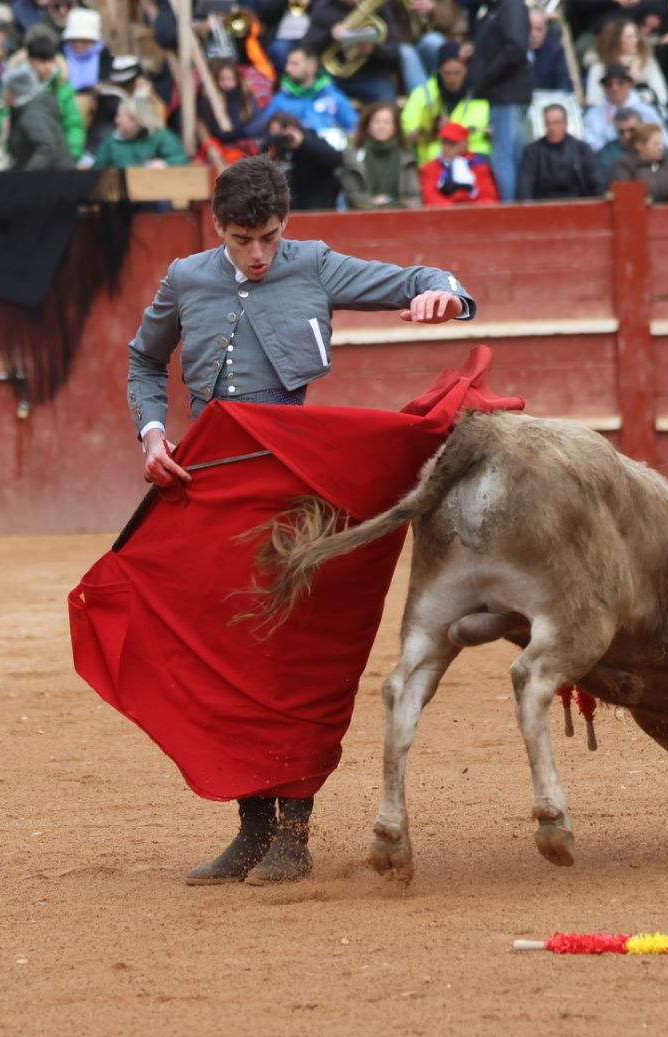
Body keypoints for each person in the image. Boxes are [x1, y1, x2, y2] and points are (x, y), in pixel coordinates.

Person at [124, 154, 475, 884]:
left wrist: (444, 292)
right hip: (212, 484)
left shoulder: (311, 263)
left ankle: (294, 832)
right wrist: (153, 434)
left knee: (290, 649)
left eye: (271, 238)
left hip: (295, 486)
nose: (259, 255)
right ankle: (252, 827)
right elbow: (144, 363)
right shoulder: (188, 278)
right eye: (245, 239)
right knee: (222, 649)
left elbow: (416, 280)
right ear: (218, 226)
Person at [472, 0, 531, 201]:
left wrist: (486, 75)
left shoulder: (510, 6)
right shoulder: (495, 8)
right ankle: (517, 209)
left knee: (504, 159)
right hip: (504, 94)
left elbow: (515, 48)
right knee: (511, 157)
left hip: (508, 93)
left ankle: (512, 212)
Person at [399, 41, 488, 162]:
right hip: (433, 164)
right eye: (447, 73)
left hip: (473, 161)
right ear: (439, 71)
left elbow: (486, 130)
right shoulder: (424, 95)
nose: (452, 79)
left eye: (457, 73)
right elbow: (407, 131)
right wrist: (432, 128)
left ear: (465, 70)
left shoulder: (480, 93)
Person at [305, 0, 403, 103]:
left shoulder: (380, 10)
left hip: (371, 77)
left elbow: (394, 52)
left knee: (386, 105)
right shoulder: (325, 9)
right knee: (311, 101)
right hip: (333, 78)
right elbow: (307, 47)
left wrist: (373, 50)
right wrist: (330, 35)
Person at [5, 37, 81, 170]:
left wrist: (72, 153)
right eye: (42, 61)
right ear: (30, 60)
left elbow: (73, 124)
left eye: (50, 61)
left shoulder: (62, 89)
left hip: (53, 160)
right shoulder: (15, 84)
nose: (48, 67)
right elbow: (5, 116)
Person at [518, 101, 606, 200]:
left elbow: (597, 180)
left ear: (565, 123)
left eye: (556, 123)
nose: (552, 128)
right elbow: (525, 186)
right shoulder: (532, 152)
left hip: (577, 205)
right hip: (543, 206)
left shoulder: (582, 150)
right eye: (548, 123)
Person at [342, 101, 421, 209]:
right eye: (376, 122)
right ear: (367, 127)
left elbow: (414, 197)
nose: (381, 126)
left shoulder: (407, 158)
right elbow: (352, 195)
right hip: (363, 217)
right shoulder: (353, 157)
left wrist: (391, 204)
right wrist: (373, 202)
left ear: (395, 128)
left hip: (400, 217)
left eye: (387, 122)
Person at [584, 15, 668, 110]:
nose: (636, 41)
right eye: (630, 37)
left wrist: (638, 98)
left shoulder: (646, 62)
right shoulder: (600, 65)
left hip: (643, 113)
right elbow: (594, 100)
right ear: (616, 41)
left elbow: (662, 96)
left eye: (636, 36)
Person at [263, 111, 344, 210]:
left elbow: (334, 159)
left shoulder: (311, 139)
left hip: (318, 207)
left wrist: (303, 142)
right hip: (287, 209)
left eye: (282, 132)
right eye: (274, 134)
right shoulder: (273, 147)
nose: (280, 137)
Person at [419, 119, 499, 204]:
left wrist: (467, 211)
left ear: (465, 144)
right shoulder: (430, 168)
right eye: (444, 143)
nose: (446, 148)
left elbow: (489, 198)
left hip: (474, 215)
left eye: (452, 143)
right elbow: (431, 198)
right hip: (444, 215)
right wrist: (455, 211)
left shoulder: (479, 167)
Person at [587, 64, 666, 150]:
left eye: (620, 83)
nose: (614, 88)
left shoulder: (648, 111)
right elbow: (590, 144)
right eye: (609, 84)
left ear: (630, 85)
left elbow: (663, 141)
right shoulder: (593, 115)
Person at [94, 97, 186, 169]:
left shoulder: (158, 135)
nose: (116, 121)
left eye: (120, 116)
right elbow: (97, 168)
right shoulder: (112, 140)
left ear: (135, 119)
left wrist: (165, 164)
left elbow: (181, 160)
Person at [609, 120, 668, 201]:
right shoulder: (624, 166)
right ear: (639, 145)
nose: (661, 148)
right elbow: (625, 198)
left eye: (662, 144)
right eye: (656, 144)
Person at [60, 5, 110, 93]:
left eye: (84, 40)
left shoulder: (104, 58)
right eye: (74, 40)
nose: (78, 45)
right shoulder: (60, 55)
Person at [526, 6, 573, 92]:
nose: (533, 34)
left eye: (538, 29)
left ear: (545, 31)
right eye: (529, 28)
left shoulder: (555, 52)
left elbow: (564, 86)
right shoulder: (513, 51)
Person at [597, 105, 640, 171]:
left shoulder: (654, 147)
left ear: (641, 127)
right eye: (621, 132)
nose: (627, 136)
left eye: (631, 130)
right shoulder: (608, 153)